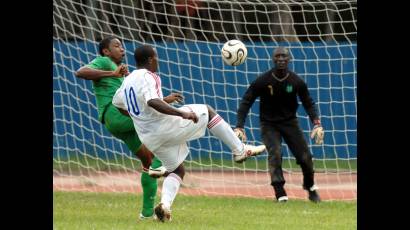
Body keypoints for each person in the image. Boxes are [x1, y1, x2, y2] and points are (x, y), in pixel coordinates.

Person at [112, 45, 266, 221]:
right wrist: (182, 113)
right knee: (207, 112)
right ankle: (239, 150)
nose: (158, 61)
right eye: (156, 57)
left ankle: (164, 207)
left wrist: (139, 117)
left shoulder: (127, 81)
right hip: (164, 127)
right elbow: (152, 101)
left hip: (149, 137)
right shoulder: (148, 76)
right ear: (150, 60)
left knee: (177, 170)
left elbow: (117, 103)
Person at [74, 36, 176, 219]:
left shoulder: (124, 73)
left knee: (148, 161)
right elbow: (81, 72)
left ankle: (146, 214)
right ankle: (162, 164)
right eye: (116, 45)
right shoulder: (104, 61)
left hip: (118, 123)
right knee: (162, 122)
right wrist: (112, 74)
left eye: (122, 46)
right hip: (115, 114)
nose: (122, 49)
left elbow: (137, 100)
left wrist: (164, 100)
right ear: (106, 51)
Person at [234, 47, 324, 203]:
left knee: (305, 157)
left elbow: (308, 103)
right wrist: (240, 126)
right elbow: (246, 101)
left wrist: (317, 123)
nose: (281, 59)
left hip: (290, 123)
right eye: (277, 56)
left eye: (284, 56)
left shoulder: (296, 81)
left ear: (289, 59)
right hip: (269, 124)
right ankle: (280, 192)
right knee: (275, 154)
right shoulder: (263, 80)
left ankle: (310, 187)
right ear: (273, 59)